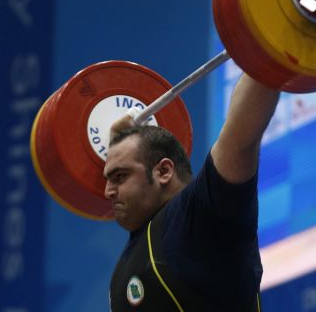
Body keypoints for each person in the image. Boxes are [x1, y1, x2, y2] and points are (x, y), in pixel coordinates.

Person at [104, 73, 280, 311]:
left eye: (120, 177)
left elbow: (240, 140)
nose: (107, 192)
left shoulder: (198, 218)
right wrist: (117, 143)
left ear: (164, 171)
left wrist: (267, 55)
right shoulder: (142, 240)